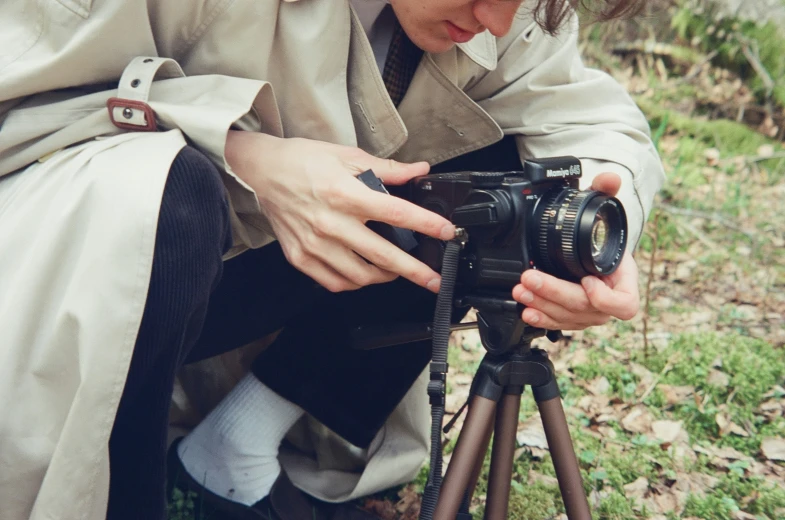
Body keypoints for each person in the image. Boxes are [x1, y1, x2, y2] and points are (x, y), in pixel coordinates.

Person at [0, 0, 664, 519]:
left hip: (262, 286)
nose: (494, 20)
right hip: (94, 272)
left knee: (502, 188)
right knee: (175, 196)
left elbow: (592, 121)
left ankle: (238, 441)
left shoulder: (510, 14)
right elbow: (24, 106)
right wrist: (245, 156)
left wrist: (603, 228)